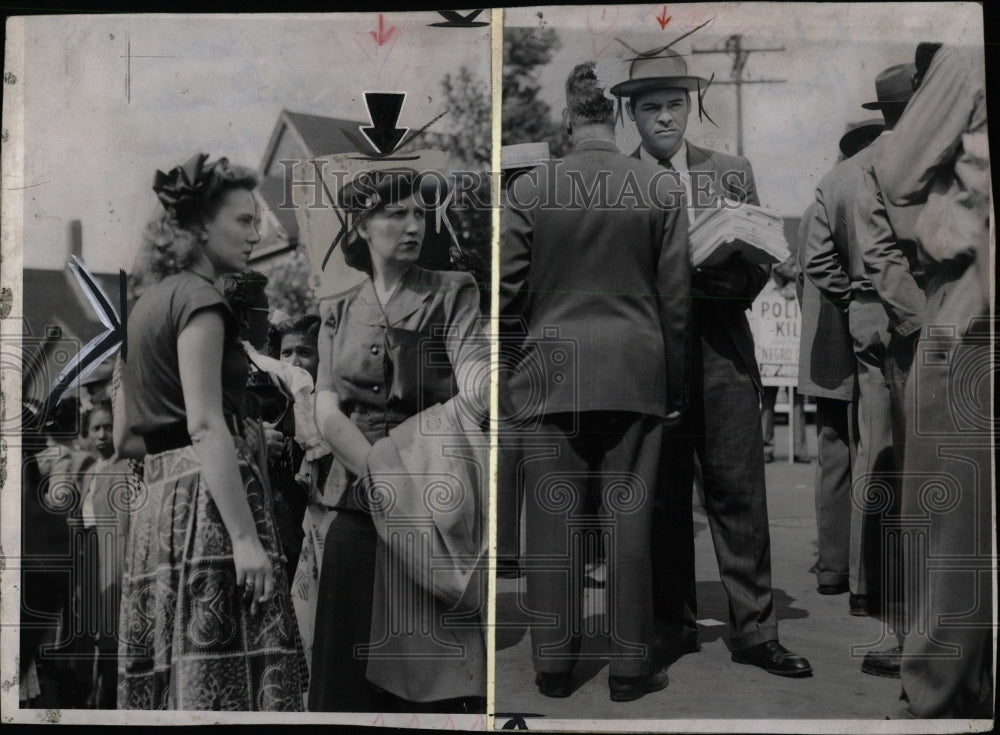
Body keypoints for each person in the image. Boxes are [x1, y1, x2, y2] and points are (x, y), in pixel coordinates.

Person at [612, 49, 811, 676]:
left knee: (738, 490)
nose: (665, 118)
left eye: (674, 105)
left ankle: (756, 631)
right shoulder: (615, 180)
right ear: (630, 115)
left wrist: (736, 281)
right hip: (652, 357)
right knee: (665, 493)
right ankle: (672, 623)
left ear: (691, 107)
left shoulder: (730, 170)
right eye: (651, 108)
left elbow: (762, 255)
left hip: (723, 350)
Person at [501, 62, 689, 701]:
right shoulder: (660, 188)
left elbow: (505, 294)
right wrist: (675, 387)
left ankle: (553, 666)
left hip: (550, 375)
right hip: (636, 373)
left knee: (551, 523)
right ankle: (632, 669)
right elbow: (676, 303)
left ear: (566, 119)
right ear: (616, 117)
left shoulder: (530, 190)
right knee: (628, 521)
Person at [116, 153, 307, 710]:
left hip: (160, 508)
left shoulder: (147, 303)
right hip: (212, 510)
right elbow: (203, 424)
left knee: (175, 676)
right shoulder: (202, 301)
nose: (258, 233)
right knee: (227, 684)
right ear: (200, 226)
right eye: (244, 221)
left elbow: (127, 439)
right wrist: (246, 539)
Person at [309, 158, 488, 713]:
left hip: (427, 509)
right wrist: (379, 473)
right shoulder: (337, 308)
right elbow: (326, 408)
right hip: (357, 501)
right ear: (360, 226)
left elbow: (474, 374)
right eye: (395, 213)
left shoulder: (454, 290)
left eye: (419, 212)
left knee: (428, 686)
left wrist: (492, 382)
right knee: (344, 677)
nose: (415, 225)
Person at [875, 42, 991, 719]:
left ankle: (943, 698)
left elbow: (898, 169)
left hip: (969, 311)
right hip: (970, 312)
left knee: (953, 529)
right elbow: (898, 179)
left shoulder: (965, 54)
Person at [806, 69, 914, 626]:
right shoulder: (918, 162)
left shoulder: (839, 176)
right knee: (893, 447)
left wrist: (851, 296)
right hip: (914, 308)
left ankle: (859, 581)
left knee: (868, 442)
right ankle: (876, 584)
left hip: (864, 309)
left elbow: (816, 258)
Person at [796, 198, 856, 599]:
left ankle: (833, 567)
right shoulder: (873, 187)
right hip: (866, 341)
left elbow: (806, 277)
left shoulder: (817, 202)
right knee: (874, 449)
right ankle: (868, 569)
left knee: (832, 455)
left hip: (825, 350)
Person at [79, 399, 136, 708]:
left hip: (114, 557)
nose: (101, 434)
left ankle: (109, 700)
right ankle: (94, 693)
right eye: (95, 428)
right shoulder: (89, 469)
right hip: (90, 555)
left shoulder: (124, 466)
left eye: (107, 427)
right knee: (92, 634)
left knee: (112, 634)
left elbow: (124, 524)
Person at [760, 255, 810, 464]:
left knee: (798, 401)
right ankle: (765, 448)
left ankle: (800, 449)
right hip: (770, 355)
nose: (794, 269)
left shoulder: (797, 288)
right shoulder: (765, 291)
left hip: (792, 353)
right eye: (789, 265)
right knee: (768, 402)